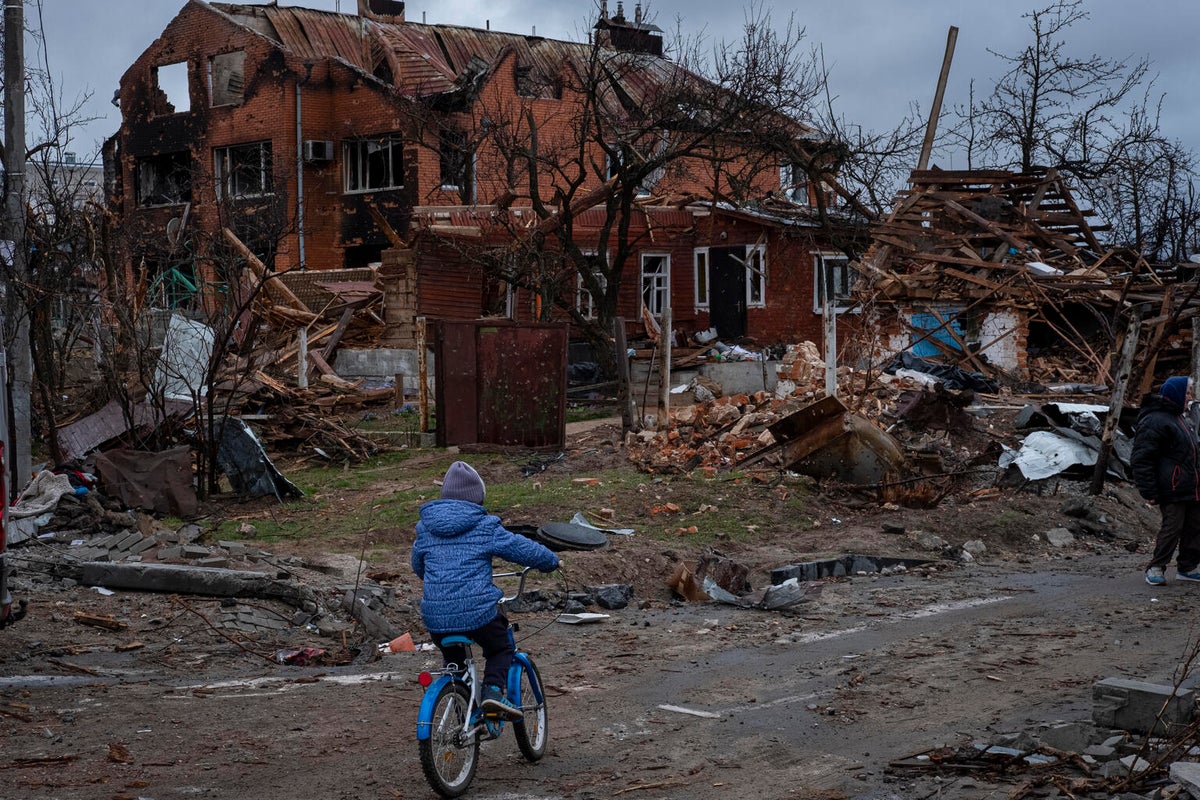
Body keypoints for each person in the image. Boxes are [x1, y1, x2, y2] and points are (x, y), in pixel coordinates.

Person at [411, 460, 559, 720]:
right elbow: (521, 548)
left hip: (436, 617)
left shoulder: (426, 528)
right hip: (476, 614)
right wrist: (550, 561)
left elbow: (418, 565)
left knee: (454, 663)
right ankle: (492, 691)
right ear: (478, 497)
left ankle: (461, 713)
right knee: (499, 648)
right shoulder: (484, 526)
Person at [1131, 376, 1200, 585]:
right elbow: (1142, 458)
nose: (1190, 397)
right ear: (1176, 394)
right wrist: (1149, 491)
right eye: (1187, 393)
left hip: (1192, 487)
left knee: (1195, 528)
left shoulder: (1182, 419)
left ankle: (1187, 568)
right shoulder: (1155, 420)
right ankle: (1156, 567)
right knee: (1172, 528)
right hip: (1172, 487)